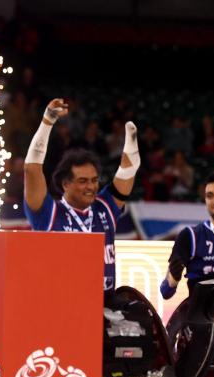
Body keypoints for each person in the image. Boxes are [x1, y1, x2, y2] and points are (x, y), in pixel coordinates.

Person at [23, 98, 140, 300]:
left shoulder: (104, 207)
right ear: (65, 184)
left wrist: (131, 145)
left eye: (94, 180)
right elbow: (31, 168)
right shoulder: (49, 212)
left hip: (104, 304)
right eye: (83, 181)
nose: (91, 187)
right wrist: (46, 124)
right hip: (60, 302)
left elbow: (128, 171)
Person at [161, 172, 214, 300]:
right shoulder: (190, 236)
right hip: (201, 316)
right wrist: (174, 277)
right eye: (210, 196)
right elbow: (165, 292)